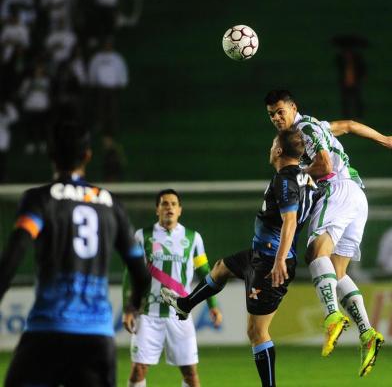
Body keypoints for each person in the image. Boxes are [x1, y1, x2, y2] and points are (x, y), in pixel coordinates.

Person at [161, 130, 320, 387]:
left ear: (279, 151)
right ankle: (186, 304)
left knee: (257, 332)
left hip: (271, 262)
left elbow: (290, 221)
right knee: (221, 268)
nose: (270, 148)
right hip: (260, 254)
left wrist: (280, 260)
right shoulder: (304, 176)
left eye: (272, 144)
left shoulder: (284, 180)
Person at [0, 119, 151, 386]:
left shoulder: (41, 199)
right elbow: (141, 273)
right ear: (88, 155)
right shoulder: (111, 204)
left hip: (47, 333)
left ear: (51, 155)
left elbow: (14, 255)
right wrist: (132, 304)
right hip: (96, 337)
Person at [264, 89, 392, 377]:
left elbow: (324, 165)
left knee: (314, 252)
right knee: (337, 271)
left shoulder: (305, 128)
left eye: (280, 111)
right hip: (357, 195)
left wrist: (298, 174)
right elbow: (347, 125)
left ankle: (332, 315)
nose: (276, 118)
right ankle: (367, 332)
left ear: (293, 107)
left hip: (337, 189)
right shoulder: (316, 125)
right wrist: (384, 139)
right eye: (271, 114)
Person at [122, 188, 223, 387]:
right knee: (138, 369)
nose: (169, 207)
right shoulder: (142, 236)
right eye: (164, 204)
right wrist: (129, 309)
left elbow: (205, 273)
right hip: (148, 314)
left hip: (180, 314)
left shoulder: (193, 238)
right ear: (157, 210)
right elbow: (130, 274)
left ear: (180, 210)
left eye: (173, 204)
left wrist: (213, 304)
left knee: (191, 374)